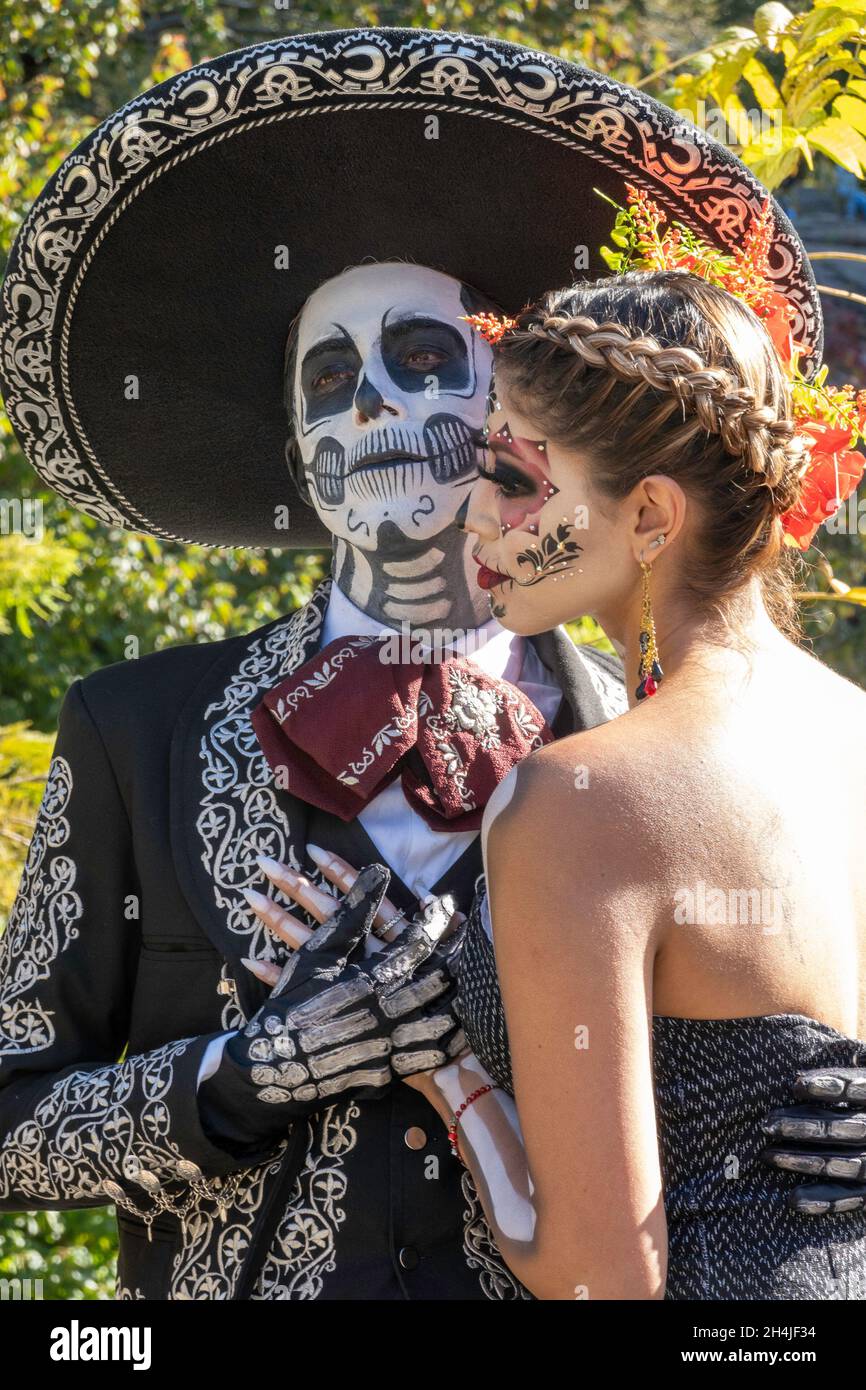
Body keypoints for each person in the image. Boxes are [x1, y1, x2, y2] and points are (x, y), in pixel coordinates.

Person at [0, 27, 835, 1301]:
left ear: (516, 416)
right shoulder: (135, 731)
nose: (376, 408)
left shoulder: (656, 760)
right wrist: (252, 1071)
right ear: (297, 451)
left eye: (423, 361)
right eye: (331, 381)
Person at [283, 268, 866, 1300]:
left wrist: (439, 1062)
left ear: (648, 513)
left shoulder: (575, 800)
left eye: (509, 478)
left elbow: (599, 1274)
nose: (473, 519)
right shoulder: (849, 734)